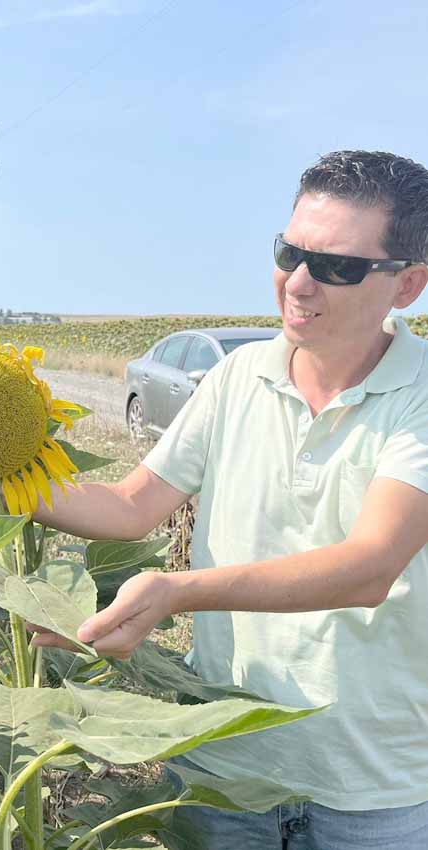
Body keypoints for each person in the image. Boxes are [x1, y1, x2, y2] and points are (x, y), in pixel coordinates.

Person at [32, 150, 428, 849]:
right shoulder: (239, 375)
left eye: (336, 266)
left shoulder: (420, 394)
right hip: (222, 762)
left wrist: (177, 592)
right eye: (289, 251)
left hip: (370, 789)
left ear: (408, 285)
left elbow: (371, 565)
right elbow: (131, 504)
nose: (298, 283)